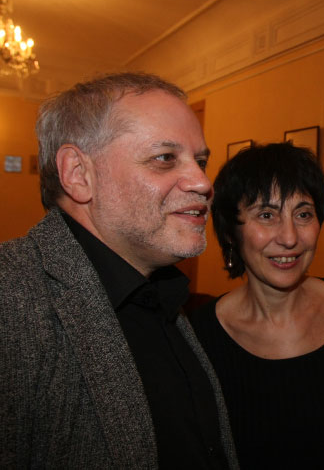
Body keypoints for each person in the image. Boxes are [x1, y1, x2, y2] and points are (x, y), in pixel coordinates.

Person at [0, 73, 238, 468]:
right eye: (165, 158)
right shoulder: (12, 298)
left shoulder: (161, 294)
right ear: (78, 174)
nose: (202, 182)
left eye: (200, 162)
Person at [190, 142, 324, 468]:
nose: (289, 237)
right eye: (266, 215)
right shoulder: (198, 336)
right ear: (230, 232)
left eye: (303, 214)